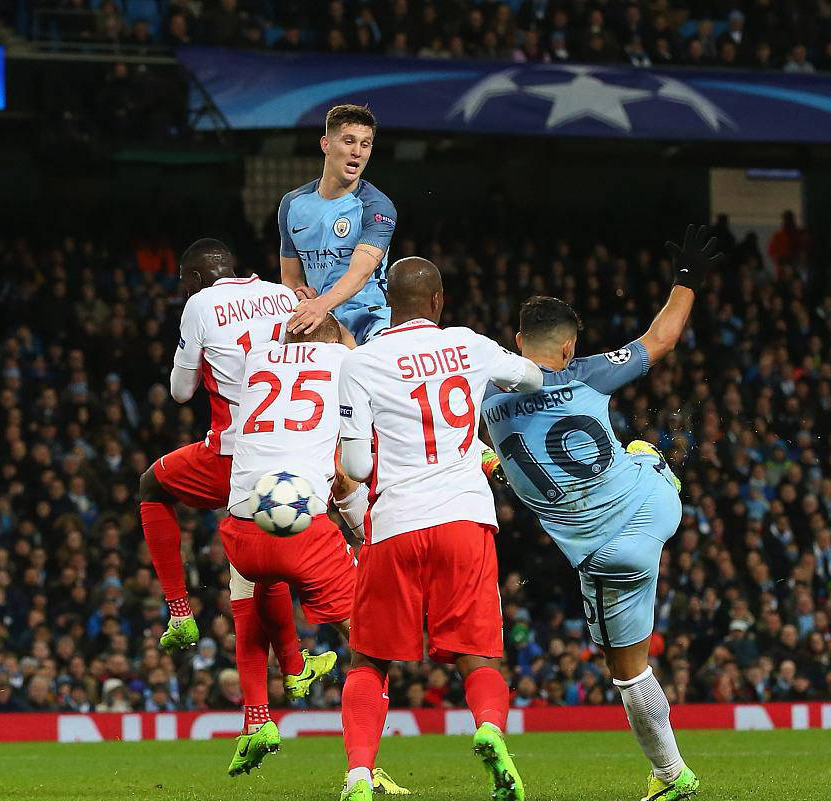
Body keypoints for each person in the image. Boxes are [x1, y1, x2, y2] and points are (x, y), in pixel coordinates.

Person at [480, 225, 721, 801]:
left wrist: (492, 462)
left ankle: (673, 776)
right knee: (638, 447)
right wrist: (687, 279)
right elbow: (662, 338)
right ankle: (657, 466)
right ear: (568, 348)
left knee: (630, 674)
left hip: (611, 555)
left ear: (517, 341)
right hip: (655, 504)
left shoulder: (483, 394)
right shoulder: (587, 371)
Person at [336, 257, 543, 801]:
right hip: (464, 518)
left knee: (369, 660)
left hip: (396, 522)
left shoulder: (361, 363)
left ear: (389, 303)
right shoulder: (468, 344)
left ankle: (359, 775)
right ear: (437, 301)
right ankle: (489, 728)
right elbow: (531, 376)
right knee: (478, 653)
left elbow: (355, 466)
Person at [218, 315, 407, 795]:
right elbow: (346, 477)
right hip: (304, 527)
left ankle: (260, 713)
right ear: (334, 338)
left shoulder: (255, 357)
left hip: (242, 530)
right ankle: (362, 771)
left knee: (251, 589)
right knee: (370, 645)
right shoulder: (345, 360)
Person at [136, 237, 308, 713]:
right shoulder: (281, 293)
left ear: (194, 278)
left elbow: (179, 391)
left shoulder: (200, 304)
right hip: (291, 452)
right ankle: (292, 671)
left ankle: (179, 613)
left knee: (152, 486)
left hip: (231, 456)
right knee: (260, 570)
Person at [278, 105, 397, 344]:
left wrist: (321, 305)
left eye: (365, 144)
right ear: (326, 144)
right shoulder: (292, 205)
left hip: (369, 321)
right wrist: (299, 292)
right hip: (321, 321)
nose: (357, 152)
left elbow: (360, 274)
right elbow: (290, 277)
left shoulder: (377, 207)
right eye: (348, 141)